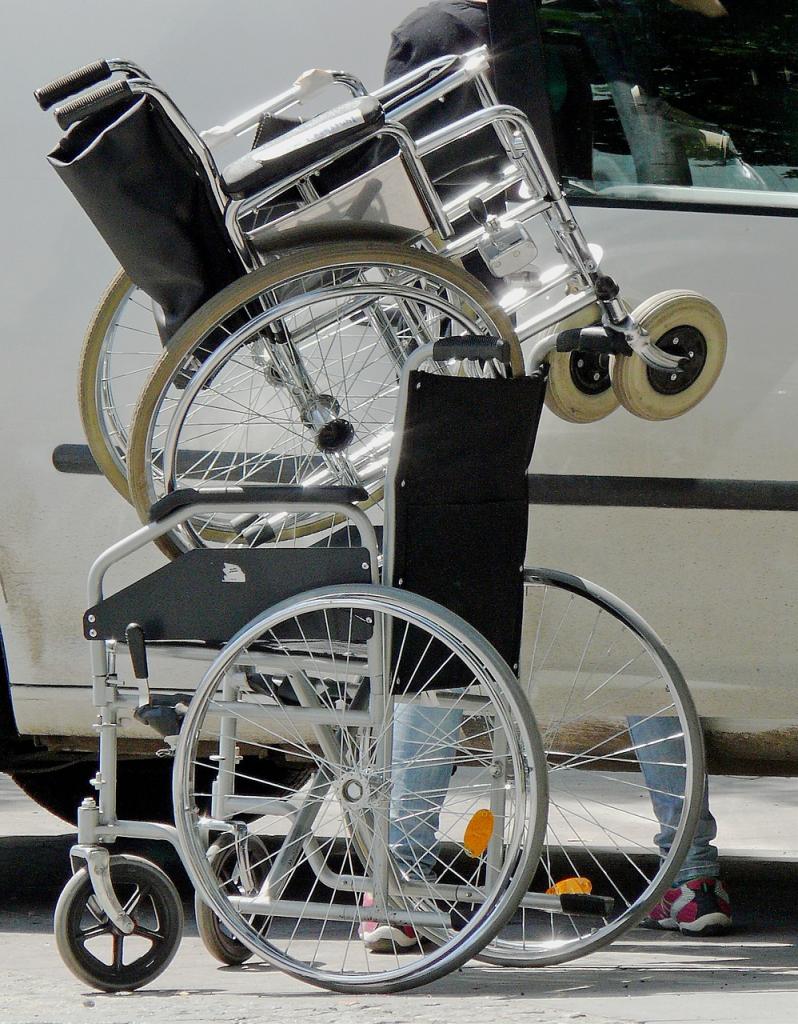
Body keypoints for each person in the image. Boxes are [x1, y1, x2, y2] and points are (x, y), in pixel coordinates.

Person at [359, 0, 731, 952]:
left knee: (439, 632)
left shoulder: (439, 32)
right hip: (587, 360)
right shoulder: (567, 26)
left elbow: (400, 182)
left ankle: (400, 880)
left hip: (475, 371)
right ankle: (689, 869)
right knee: (635, 629)